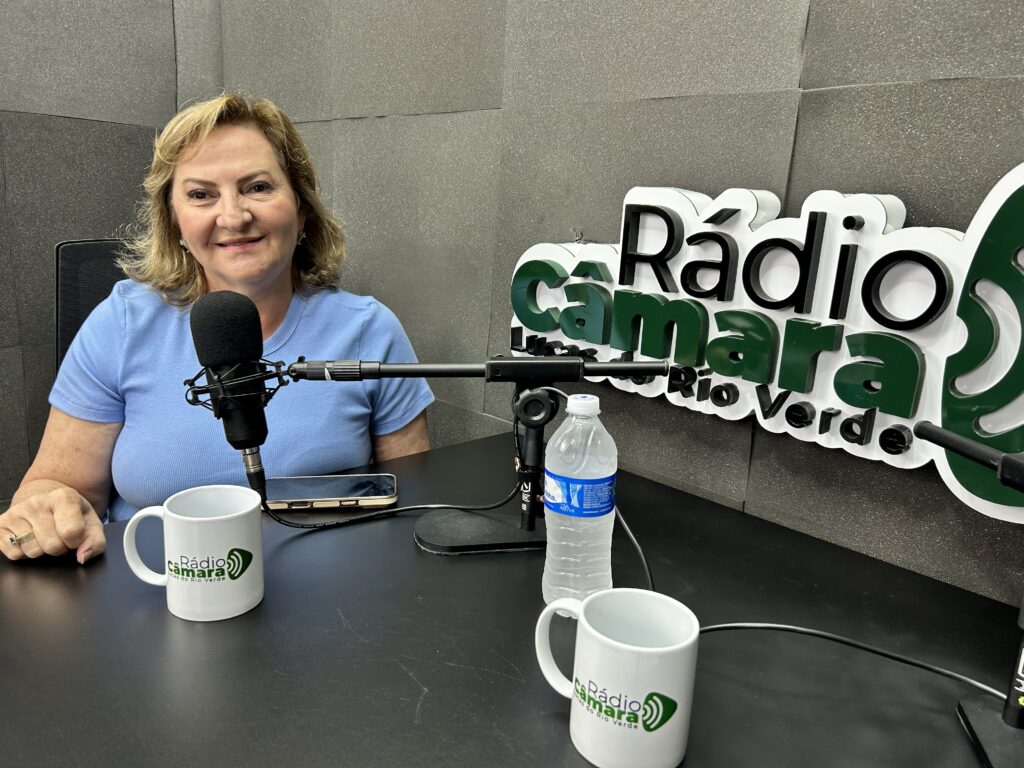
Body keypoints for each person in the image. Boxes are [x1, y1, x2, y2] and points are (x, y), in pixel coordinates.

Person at [0, 93, 433, 564]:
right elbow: (56, 487)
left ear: (302, 208)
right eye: (201, 195)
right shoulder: (121, 323)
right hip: (155, 589)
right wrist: (49, 512)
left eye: (257, 187)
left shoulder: (370, 331)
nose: (233, 217)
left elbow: (410, 504)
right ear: (175, 223)